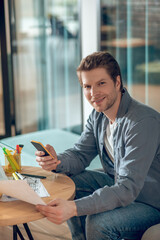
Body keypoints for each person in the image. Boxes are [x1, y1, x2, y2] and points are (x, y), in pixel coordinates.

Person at [35, 51, 160, 240]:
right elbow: (80, 154)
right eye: (87, 86)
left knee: (99, 222)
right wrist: (56, 161)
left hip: (149, 203)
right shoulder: (98, 116)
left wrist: (74, 208)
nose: (93, 93)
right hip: (120, 186)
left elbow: (128, 188)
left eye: (101, 83)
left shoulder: (142, 122)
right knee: (69, 182)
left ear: (117, 82)